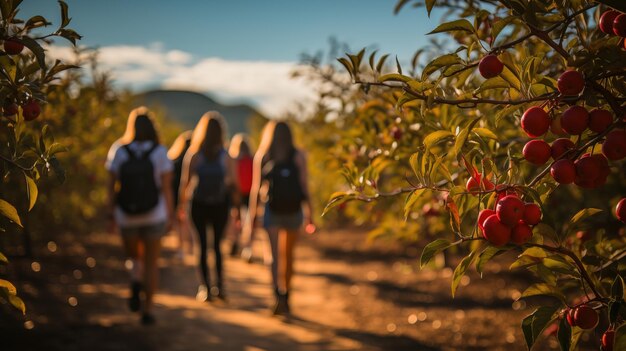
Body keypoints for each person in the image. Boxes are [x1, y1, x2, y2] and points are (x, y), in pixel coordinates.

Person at [106, 106, 174, 325]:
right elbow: (166, 188)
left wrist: (111, 212)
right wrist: (171, 215)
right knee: (151, 263)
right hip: (154, 214)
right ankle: (148, 310)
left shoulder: (119, 149)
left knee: (134, 256)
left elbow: (111, 185)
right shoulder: (160, 151)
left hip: (126, 214)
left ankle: (135, 279)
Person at [242, 121, 314, 316]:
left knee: (273, 256)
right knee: (288, 255)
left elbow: (256, 190)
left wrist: (252, 218)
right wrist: (311, 214)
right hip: (293, 210)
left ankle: (277, 294)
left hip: (272, 210)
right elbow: (304, 186)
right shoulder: (298, 155)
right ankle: (287, 294)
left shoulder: (264, 155)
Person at [178, 111, 240, 302]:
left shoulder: (194, 154)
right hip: (220, 205)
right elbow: (234, 183)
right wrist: (236, 208)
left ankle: (205, 289)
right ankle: (220, 287)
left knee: (202, 246)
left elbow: (185, 183)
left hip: (197, 205)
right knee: (218, 247)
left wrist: (181, 206)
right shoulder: (225, 155)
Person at [227, 133, 254, 259]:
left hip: (236, 193)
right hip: (250, 194)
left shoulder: (233, 160)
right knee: (249, 221)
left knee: (235, 220)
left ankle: (235, 242)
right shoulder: (253, 159)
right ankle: (248, 248)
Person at [167, 130, 194, 259]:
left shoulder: (174, 159)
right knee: (188, 221)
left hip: (175, 192)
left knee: (179, 222)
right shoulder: (194, 158)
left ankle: (180, 247)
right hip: (190, 193)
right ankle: (190, 246)